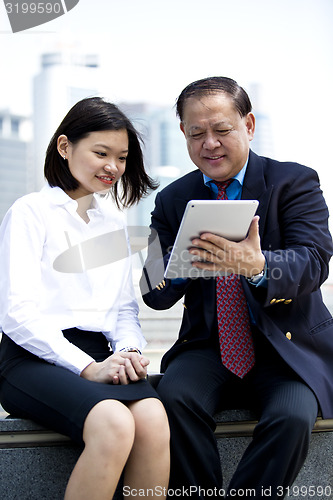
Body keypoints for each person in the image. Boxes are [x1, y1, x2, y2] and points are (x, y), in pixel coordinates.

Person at [140, 77, 333, 499]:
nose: (209, 143)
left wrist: (257, 265)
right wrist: (181, 265)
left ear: (247, 125)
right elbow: (154, 292)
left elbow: (314, 261)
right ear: (184, 136)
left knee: (292, 417)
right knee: (173, 398)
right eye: (197, 134)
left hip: (288, 346)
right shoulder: (172, 200)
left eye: (221, 130)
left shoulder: (293, 182)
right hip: (209, 346)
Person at [0, 97, 170, 500]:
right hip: (32, 360)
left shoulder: (113, 222)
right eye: (101, 153)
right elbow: (16, 313)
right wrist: (85, 367)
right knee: (113, 422)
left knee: (154, 418)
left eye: (122, 157)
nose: (113, 166)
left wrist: (128, 351)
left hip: (101, 355)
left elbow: (123, 308)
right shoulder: (31, 211)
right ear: (64, 147)